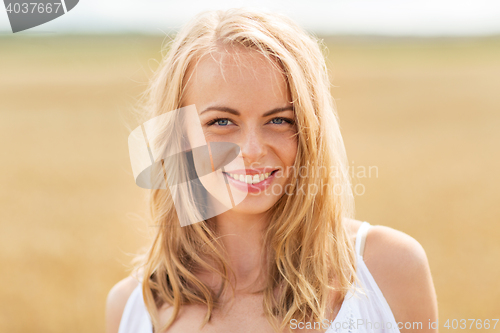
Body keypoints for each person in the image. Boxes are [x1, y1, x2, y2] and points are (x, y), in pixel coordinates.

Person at [106, 8, 438, 333]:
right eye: (221, 121)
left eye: (279, 120)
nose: (251, 150)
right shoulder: (132, 308)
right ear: (179, 135)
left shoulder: (388, 270)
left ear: (310, 132)